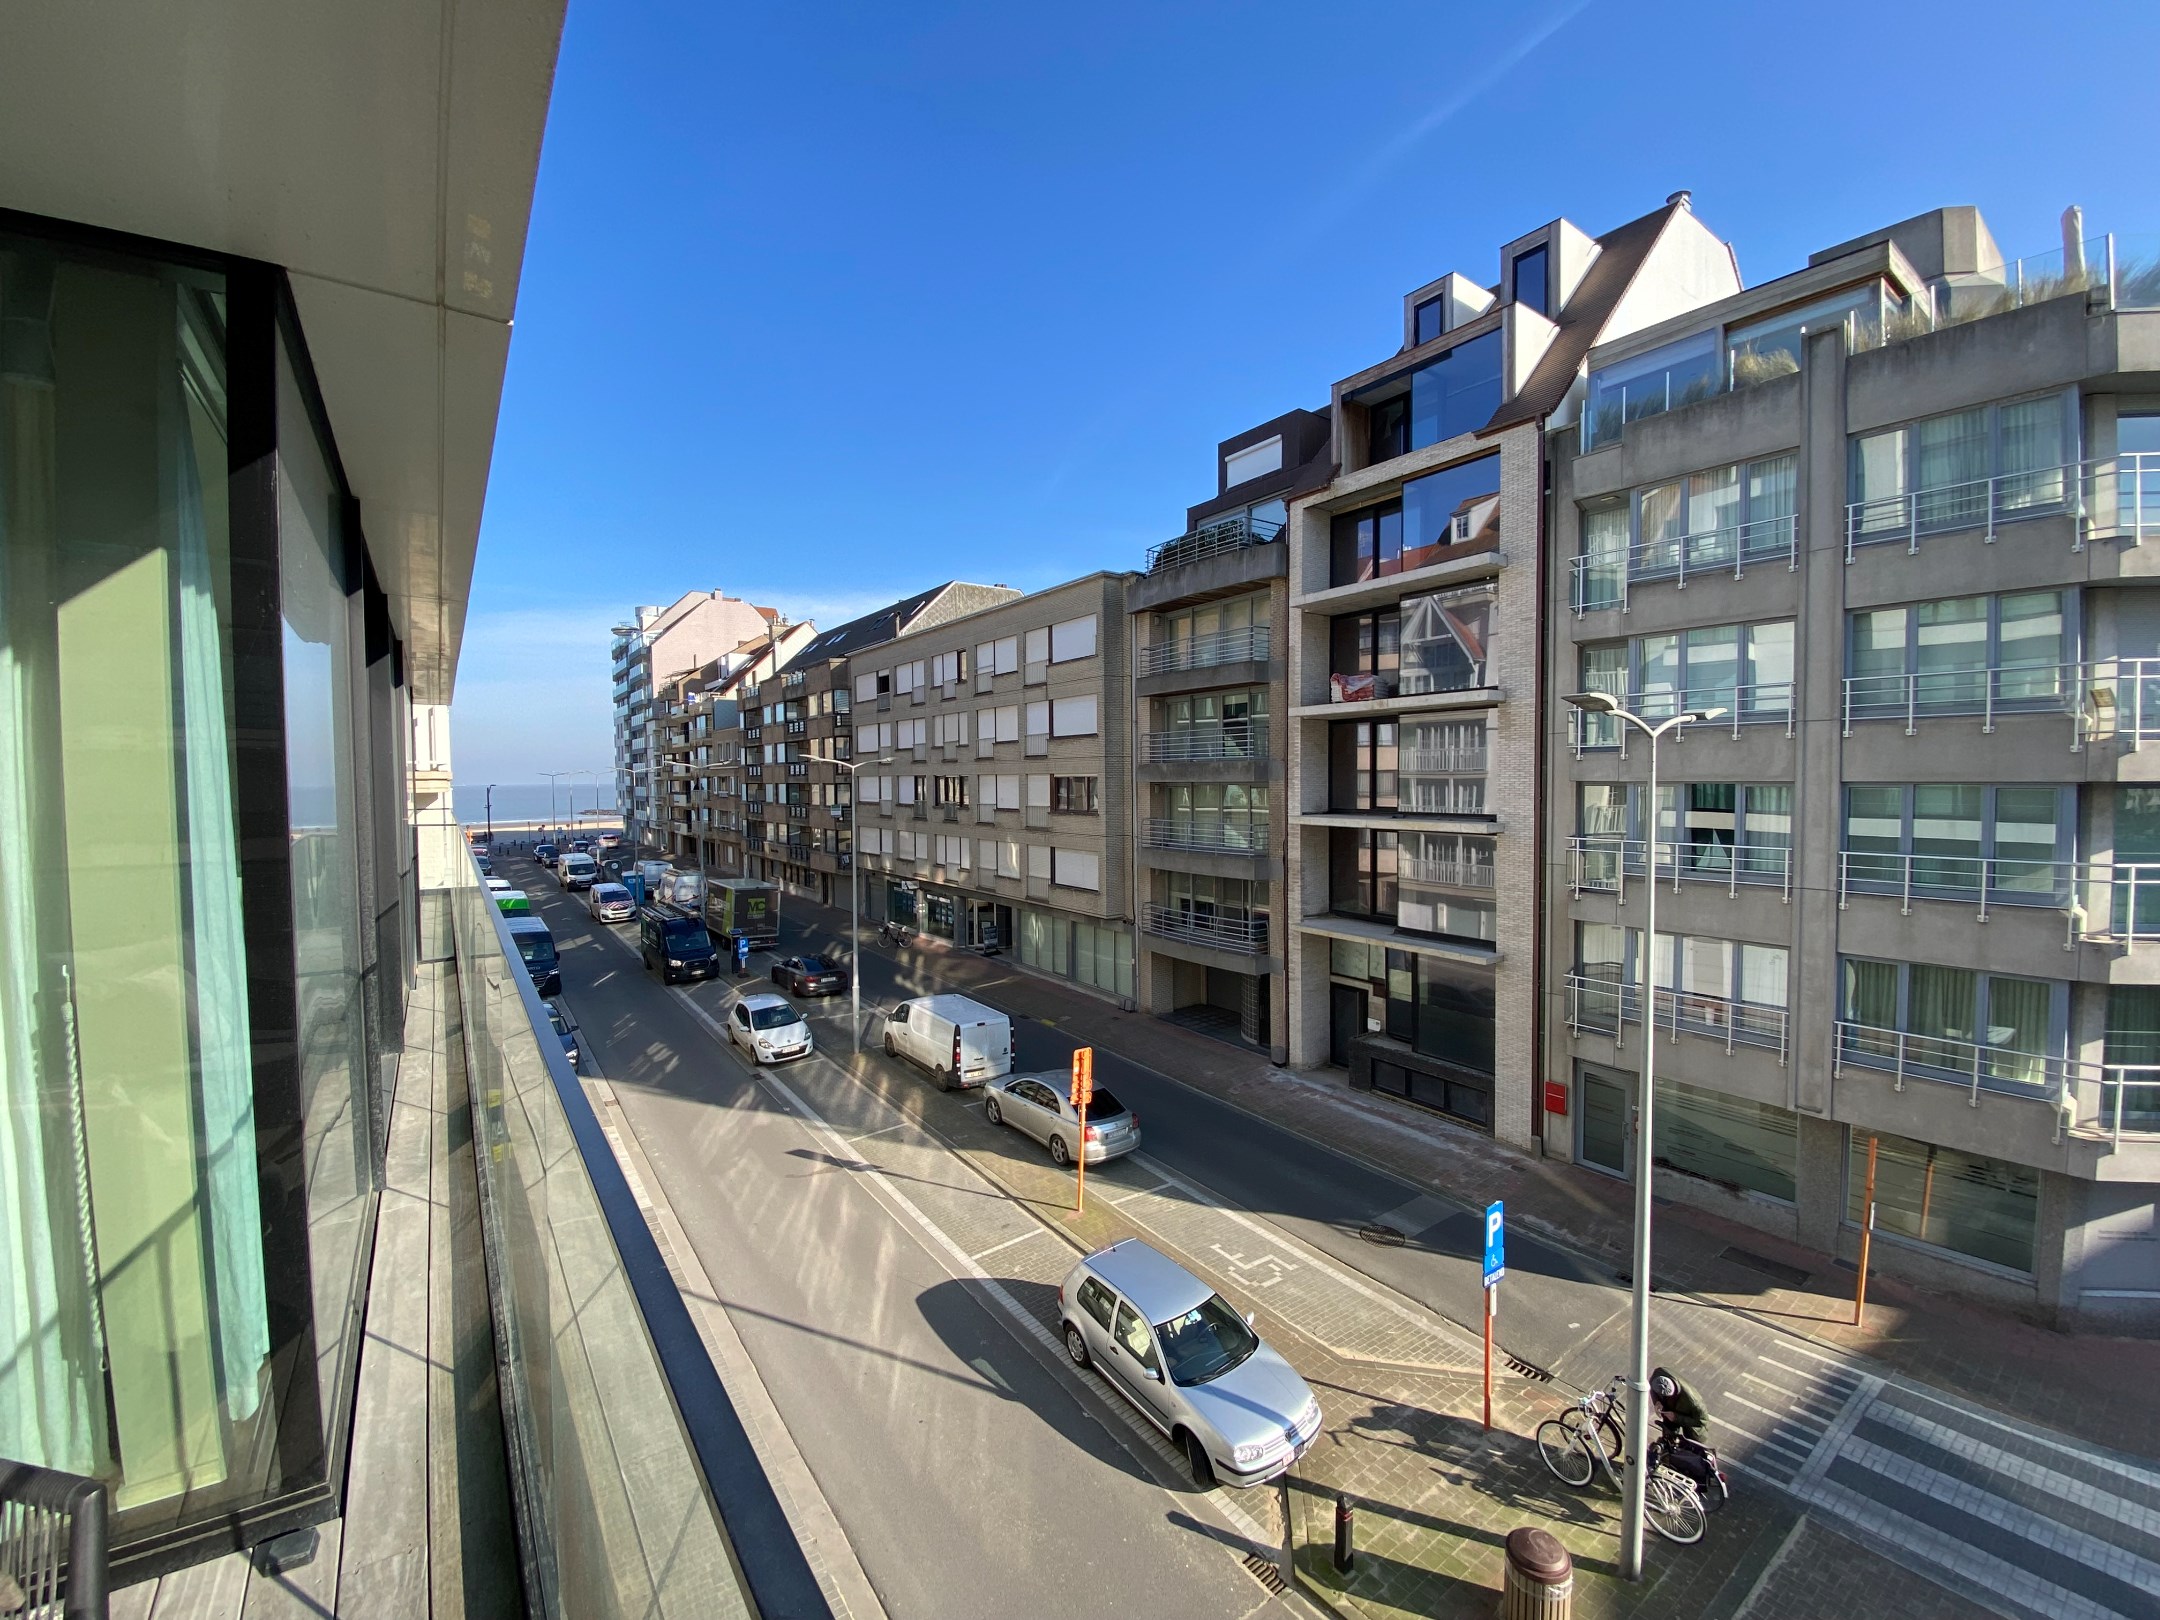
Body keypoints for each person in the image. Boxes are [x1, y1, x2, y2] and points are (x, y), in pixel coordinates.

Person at [1649, 1368, 1709, 1444]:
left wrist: (1676, 1417)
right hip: (1670, 1410)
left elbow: (1701, 1421)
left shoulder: (1694, 1402)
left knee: (1694, 1443)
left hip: (1689, 1417)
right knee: (1668, 1436)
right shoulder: (1658, 1374)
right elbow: (1652, 1387)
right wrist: (1657, 1401)